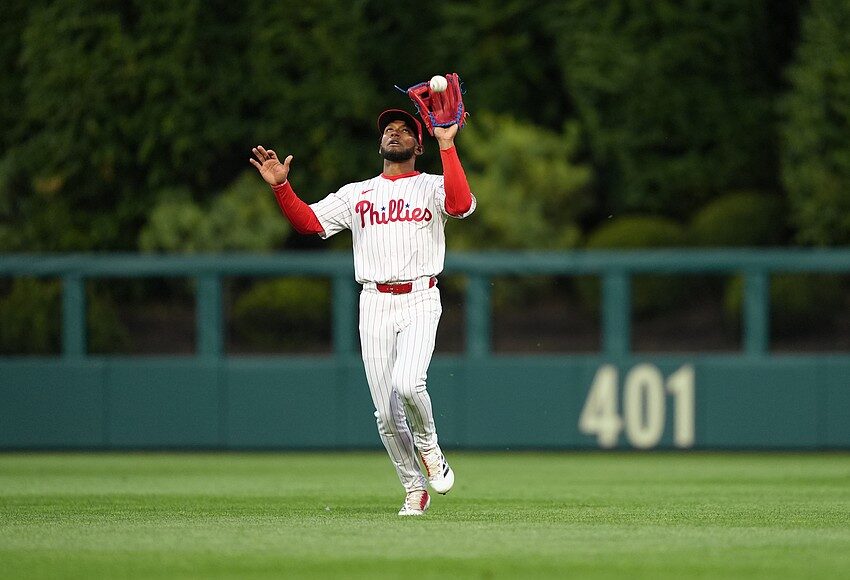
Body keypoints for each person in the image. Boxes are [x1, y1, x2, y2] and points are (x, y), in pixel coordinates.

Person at [250, 109, 476, 516]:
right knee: (386, 413)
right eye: (389, 129)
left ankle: (429, 448)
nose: (395, 133)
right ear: (380, 143)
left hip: (420, 295)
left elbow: (460, 205)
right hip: (374, 301)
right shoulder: (357, 193)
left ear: (418, 145)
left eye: (405, 130)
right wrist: (282, 187)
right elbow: (309, 222)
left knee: (409, 384)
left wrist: (447, 144)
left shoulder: (432, 185)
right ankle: (414, 489)